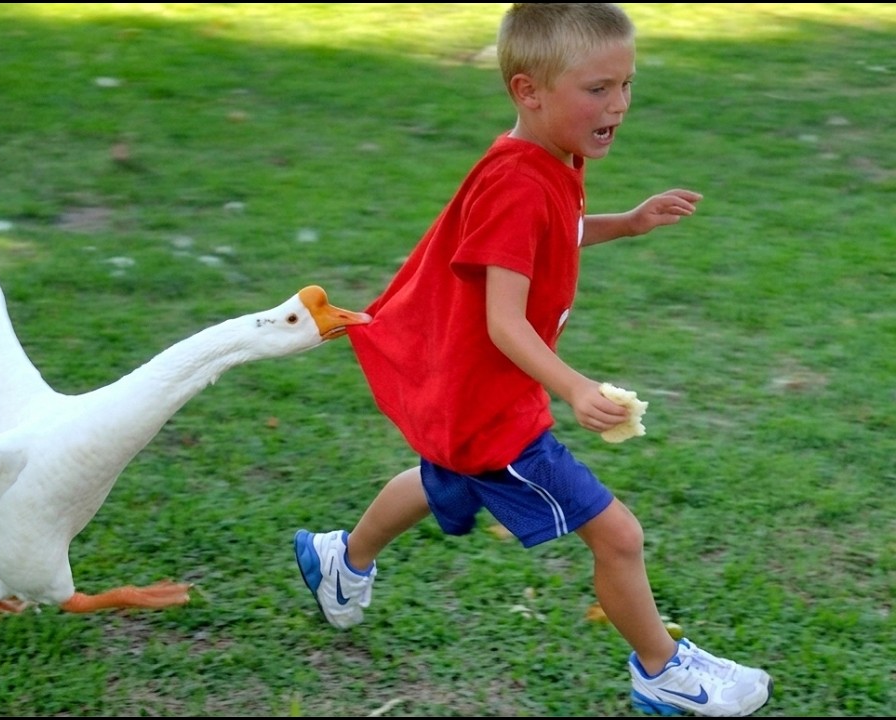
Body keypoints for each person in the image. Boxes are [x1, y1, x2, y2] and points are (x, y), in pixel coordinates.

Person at [293, 4, 772, 716]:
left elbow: (550, 235)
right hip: (493, 409)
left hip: (469, 400)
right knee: (617, 535)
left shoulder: (544, 161)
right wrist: (575, 388)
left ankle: (342, 559)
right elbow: (503, 319)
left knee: (440, 479)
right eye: (598, 88)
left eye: (627, 85)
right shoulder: (518, 182)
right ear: (529, 91)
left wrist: (627, 223)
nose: (619, 105)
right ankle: (662, 671)